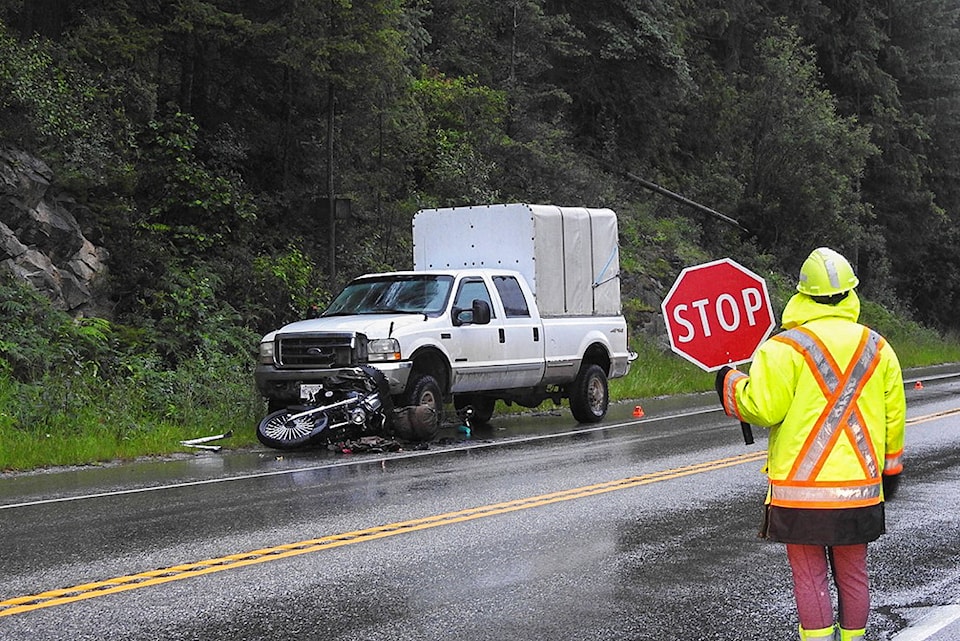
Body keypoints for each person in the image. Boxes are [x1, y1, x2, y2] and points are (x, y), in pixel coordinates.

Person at [716, 247, 906, 641]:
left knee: (810, 577)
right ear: (850, 293)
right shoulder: (878, 347)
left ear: (802, 294)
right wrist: (891, 472)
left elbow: (761, 408)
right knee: (854, 573)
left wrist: (728, 383)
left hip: (800, 496)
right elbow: (894, 417)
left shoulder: (783, 348)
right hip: (859, 491)